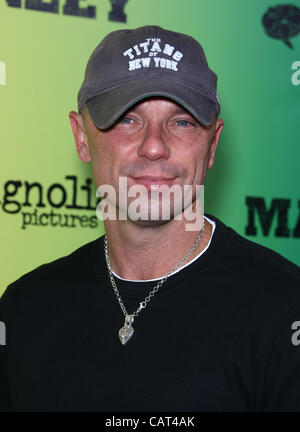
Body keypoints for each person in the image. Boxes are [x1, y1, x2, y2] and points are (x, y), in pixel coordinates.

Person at [1, 25, 300, 412]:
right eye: (127, 118)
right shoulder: (25, 308)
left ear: (212, 145)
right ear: (80, 136)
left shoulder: (284, 309)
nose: (155, 146)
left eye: (182, 122)